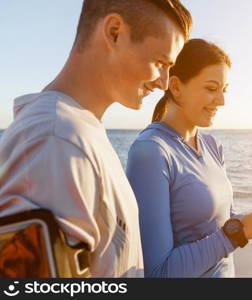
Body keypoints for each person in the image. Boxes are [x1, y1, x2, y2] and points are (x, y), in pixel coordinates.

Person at [0, 0, 192, 277]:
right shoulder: (57, 141)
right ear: (114, 32)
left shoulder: (79, 132)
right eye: (160, 63)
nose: (164, 83)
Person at [126, 39, 252, 278]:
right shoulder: (150, 152)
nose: (221, 101)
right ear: (176, 86)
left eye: (224, 90)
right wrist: (239, 231)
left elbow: (224, 226)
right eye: (211, 89)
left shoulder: (212, 145)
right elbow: (157, 274)